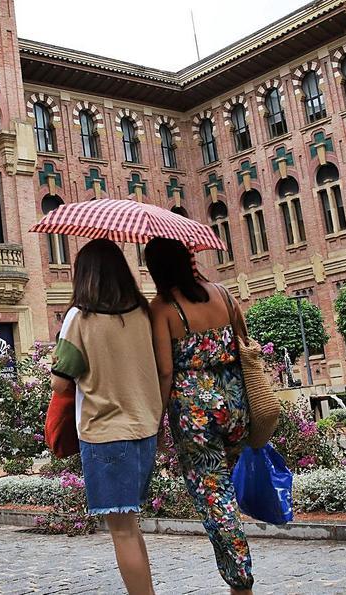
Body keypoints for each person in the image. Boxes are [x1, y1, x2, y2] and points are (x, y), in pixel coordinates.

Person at [50, 239, 165, 595]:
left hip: (105, 433)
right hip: (145, 429)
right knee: (132, 526)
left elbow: (60, 382)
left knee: (122, 530)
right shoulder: (142, 312)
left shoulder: (79, 317)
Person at [145, 237, 255, 594]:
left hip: (195, 411)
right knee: (226, 489)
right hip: (236, 400)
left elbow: (164, 371)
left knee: (214, 494)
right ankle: (239, 578)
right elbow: (244, 341)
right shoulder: (223, 293)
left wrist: (159, 422)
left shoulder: (162, 308)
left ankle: (241, 582)